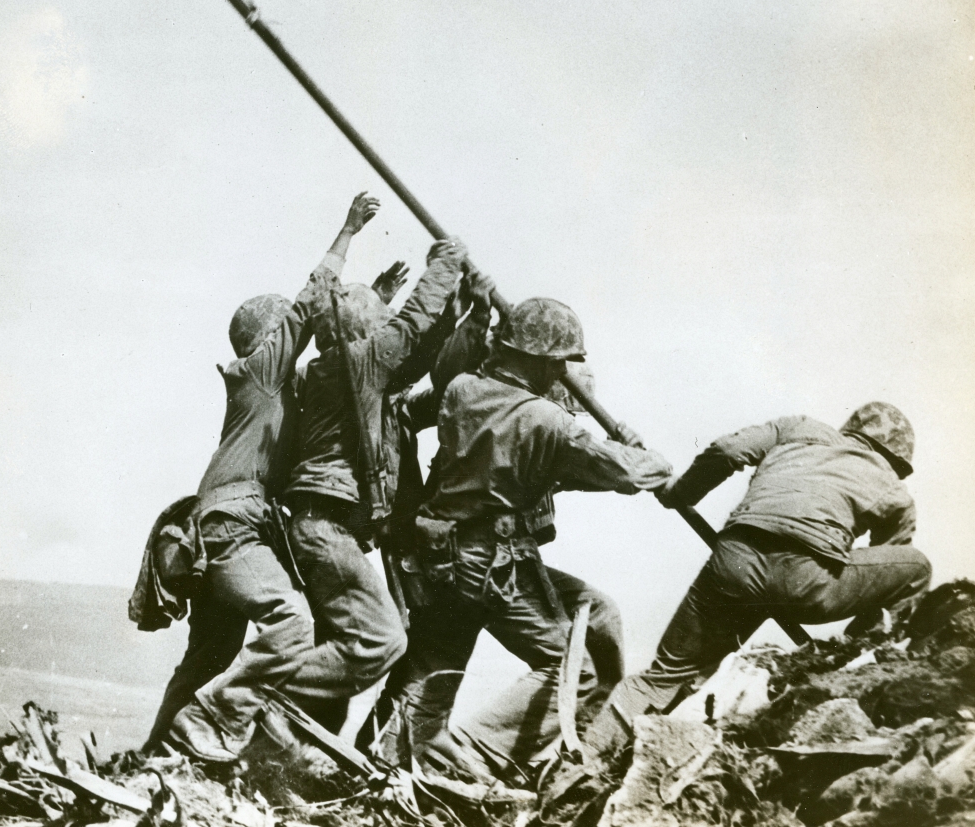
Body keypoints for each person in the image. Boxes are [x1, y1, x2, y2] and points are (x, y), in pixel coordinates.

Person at [143, 193, 381, 760]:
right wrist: (347, 231)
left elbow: (341, 347)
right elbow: (309, 306)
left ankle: (156, 755)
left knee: (209, 657)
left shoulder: (276, 390)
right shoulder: (260, 372)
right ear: (268, 338)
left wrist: (382, 300)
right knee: (291, 622)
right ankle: (210, 725)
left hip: (221, 529)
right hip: (233, 527)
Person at [400, 298, 672, 782]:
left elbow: (557, 468)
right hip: (492, 562)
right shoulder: (545, 420)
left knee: (437, 667)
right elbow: (626, 473)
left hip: (443, 554)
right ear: (542, 361)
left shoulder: (464, 390)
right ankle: (470, 756)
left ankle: (396, 756)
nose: (562, 373)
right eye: (559, 363)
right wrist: (648, 457)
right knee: (573, 670)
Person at [583, 401, 932, 762]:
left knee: (664, 675)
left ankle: (584, 757)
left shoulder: (799, 427)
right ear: (897, 459)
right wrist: (856, 642)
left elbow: (726, 450)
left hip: (733, 565)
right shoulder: (895, 491)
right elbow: (883, 581)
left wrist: (682, 494)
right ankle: (858, 665)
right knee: (917, 567)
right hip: (807, 583)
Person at [365, 358, 628, 768]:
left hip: (502, 564)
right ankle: (425, 758)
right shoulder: (497, 411)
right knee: (431, 674)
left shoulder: (540, 430)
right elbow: (408, 409)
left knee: (598, 616)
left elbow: (579, 469)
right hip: (463, 562)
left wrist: (619, 461)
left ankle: (590, 741)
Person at [274, 235, 470, 734]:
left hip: (328, 531)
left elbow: (420, 352)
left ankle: (299, 745)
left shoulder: (345, 374)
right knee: (382, 640)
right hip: (326, 530)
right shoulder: (355, 363)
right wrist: (446, 264)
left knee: (343, 651)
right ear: (366, 333)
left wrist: (464, 312)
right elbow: (410, 329)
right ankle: (258, 696)